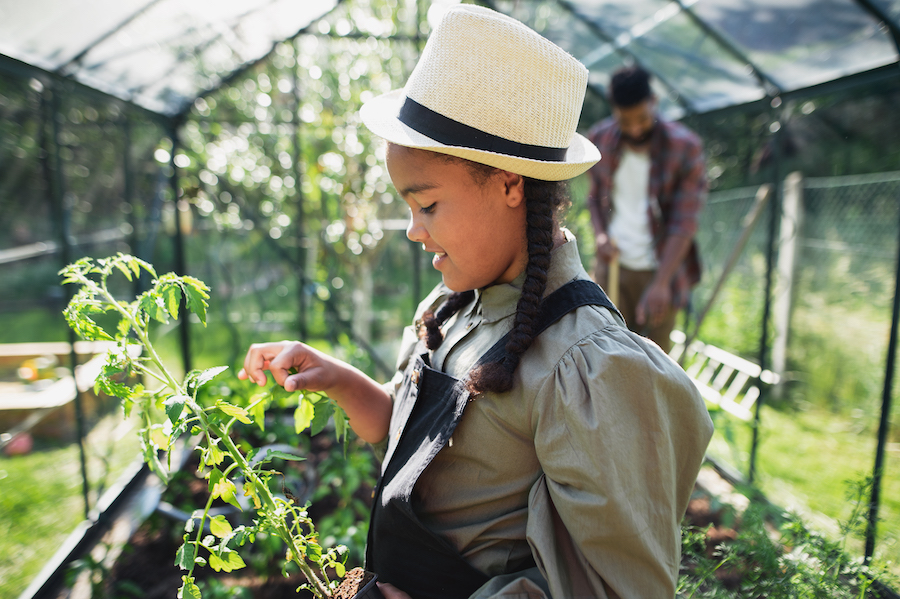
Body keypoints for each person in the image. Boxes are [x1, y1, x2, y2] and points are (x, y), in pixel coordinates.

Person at [239, 6, 713, 598]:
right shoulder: (453, 303)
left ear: (511, 184)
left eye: (428, 205)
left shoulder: (587, 367)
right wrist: (339, 380)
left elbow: (616, 588)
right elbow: (413, 439)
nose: (413, 230)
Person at [586, 66, 707, 353]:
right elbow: (594, 198)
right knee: (607, 355)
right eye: (625, 121)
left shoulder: (685, 147)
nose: (635, 128)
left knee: (654, 362)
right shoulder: (600, 140)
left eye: (641, 118)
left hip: (661, 270)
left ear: (654, 101)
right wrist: (601, 236)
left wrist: (662, 282)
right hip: (613, 267)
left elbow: (684, 222)